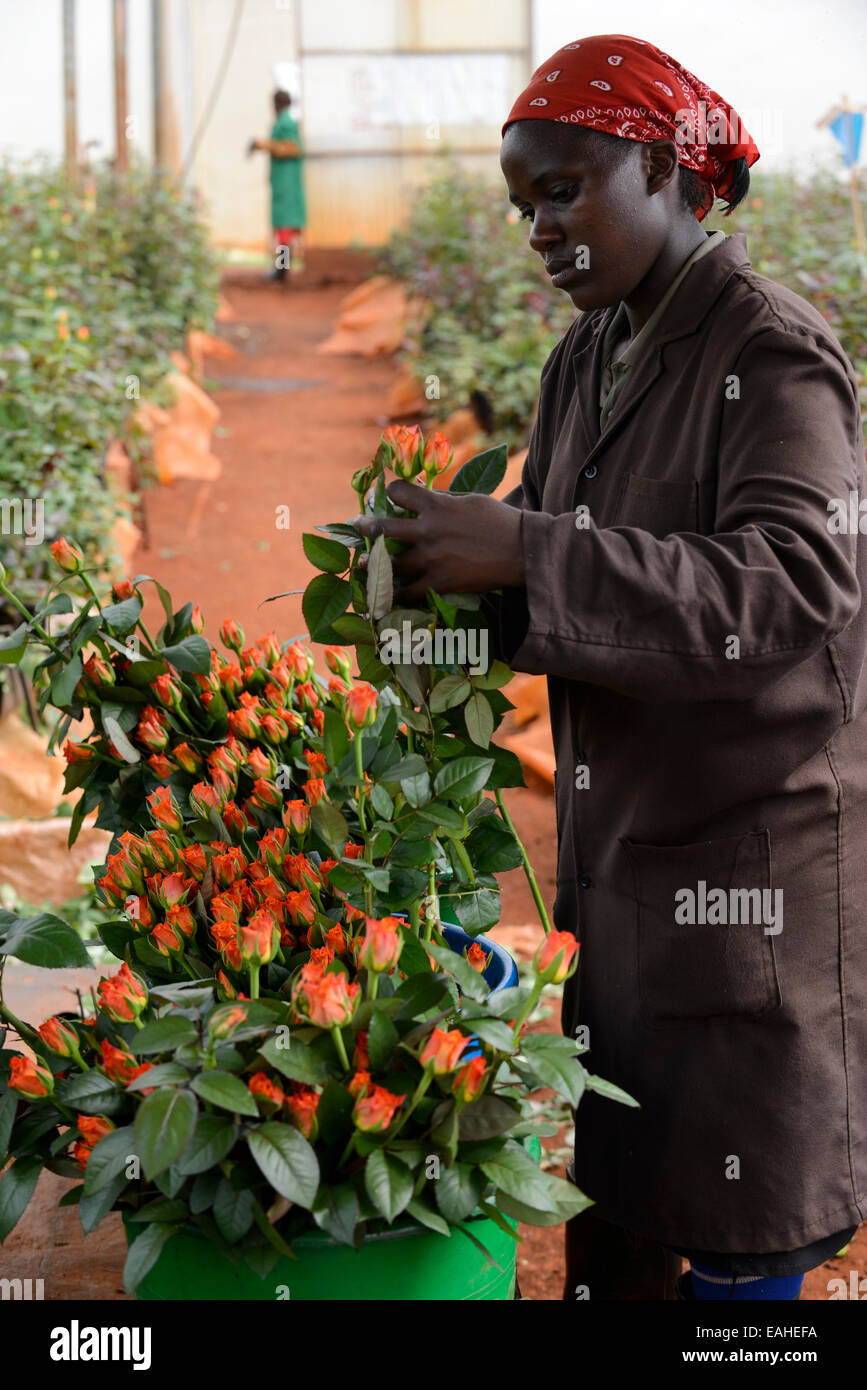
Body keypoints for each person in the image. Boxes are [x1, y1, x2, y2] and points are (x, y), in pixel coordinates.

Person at [355, 34, 866, 1300]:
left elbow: (794, 585)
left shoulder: (771, 353)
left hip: (749, 856)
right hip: (624, 838)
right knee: (623, 1184)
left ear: (665, 173)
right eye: (523, 202)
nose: (539, 226)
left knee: (746, 1216)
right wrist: (441, 585)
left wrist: (522, 544)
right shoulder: (585, 356)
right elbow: (573, 577)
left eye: (566, 188)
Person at [249, 90, 306, 283]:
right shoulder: (283, 121)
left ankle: (282, 269)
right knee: (283, 228)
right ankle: (282, 268)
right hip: (283, 182)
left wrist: (265, 145)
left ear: (277, 104)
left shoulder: (287, 122)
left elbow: (292, 148)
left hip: (287, 183)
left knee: (285, 229)